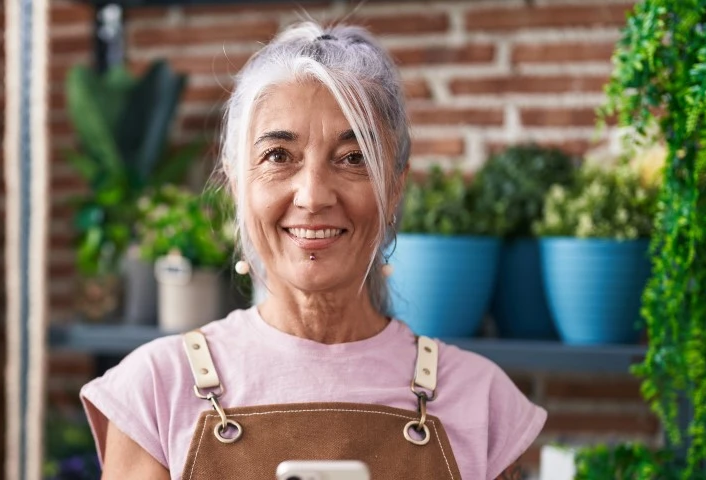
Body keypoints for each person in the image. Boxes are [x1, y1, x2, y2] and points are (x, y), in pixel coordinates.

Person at [80, 21, 546, 480]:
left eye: (353, 157)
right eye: (278, 156)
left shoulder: (480, 400)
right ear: (236, 182)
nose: (313, 195)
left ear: (395, 187)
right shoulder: (156, 391)